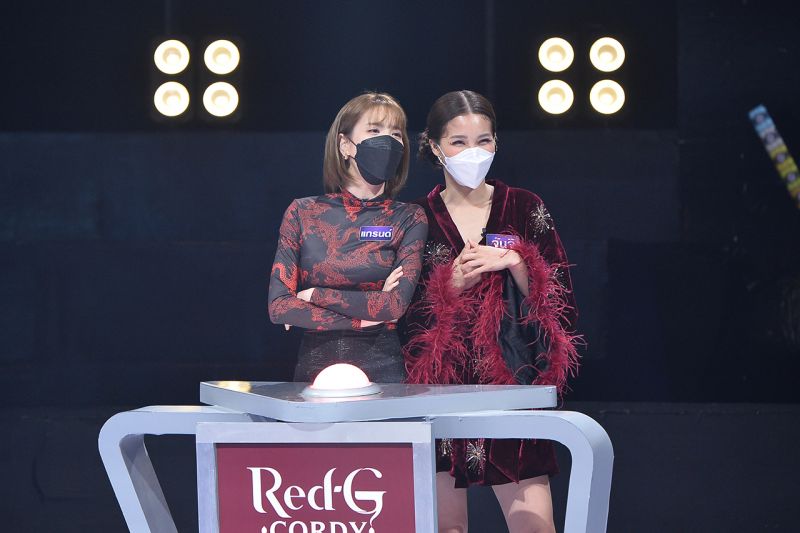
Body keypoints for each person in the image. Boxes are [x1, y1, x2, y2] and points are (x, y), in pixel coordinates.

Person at [401, 90, 580, 533]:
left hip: (512, 388)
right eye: (459, 142)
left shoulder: (523, 206)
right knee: (447, 528)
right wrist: (449, 287)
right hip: (437, 395)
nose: (473, 152)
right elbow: (399, 319)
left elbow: (563, 308)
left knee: (535, 527)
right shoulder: (414, 218)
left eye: (483, 140)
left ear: (496, 142)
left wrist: (518, 263)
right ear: (435, 146)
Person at [268, 92, 427, 383]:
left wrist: (313, 296)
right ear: (345, 145)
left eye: (396, 134)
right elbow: (280, 307)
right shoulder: (303, 212)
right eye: (374, 130)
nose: (388, 141)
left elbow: (394, 306)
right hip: (316, 371)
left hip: (383, 369)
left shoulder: (409, 217)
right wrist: (370, 313)